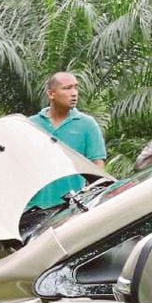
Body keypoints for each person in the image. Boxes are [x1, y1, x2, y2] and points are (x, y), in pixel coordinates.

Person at [28, 71, 107, 208]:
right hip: (33, 209)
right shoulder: (30, 125)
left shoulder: (87, 124)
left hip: (72, 209)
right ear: (51, 94)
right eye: (67, 88)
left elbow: (98, 169)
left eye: (75, 87)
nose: (74, 93)